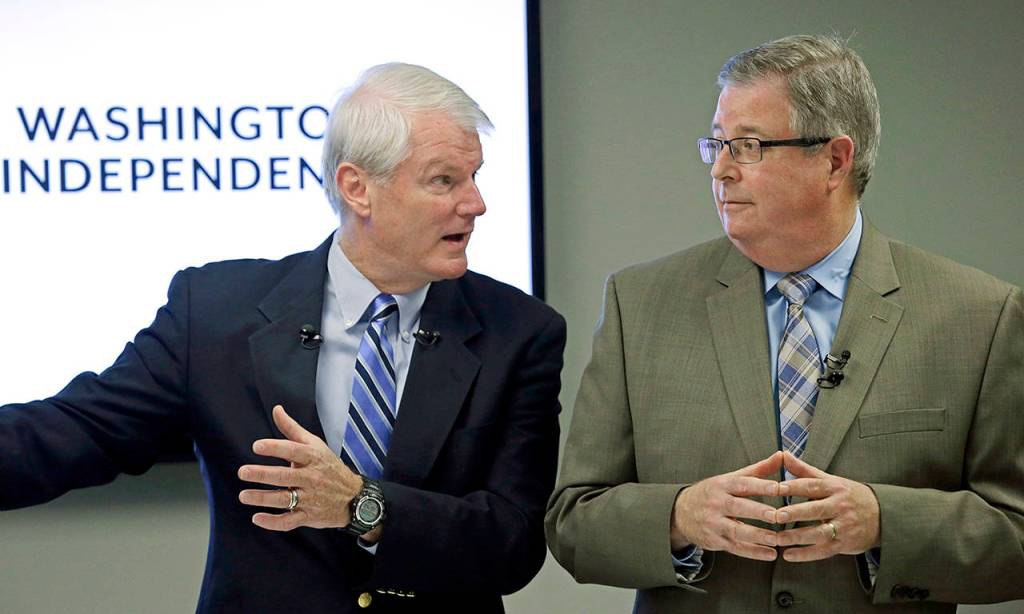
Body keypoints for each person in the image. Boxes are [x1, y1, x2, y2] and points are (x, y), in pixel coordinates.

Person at [0, 63, 566, 613]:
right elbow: (77, 431)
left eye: (475, 177)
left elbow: (512, 543)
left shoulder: (518, 331)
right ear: (357, 188)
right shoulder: (216, 311)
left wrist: (361, 506)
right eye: (445, 180)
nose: (476, 204)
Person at [545, 34, 1023, 612]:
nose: (721, 170)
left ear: (834, 160)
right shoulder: (639, 303)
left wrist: (884, 524)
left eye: (748, 146)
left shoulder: (978, 315)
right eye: (717, 144)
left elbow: (1014, 534)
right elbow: (574, 524)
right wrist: (678, 517)